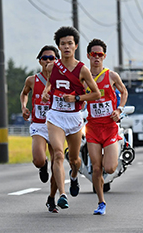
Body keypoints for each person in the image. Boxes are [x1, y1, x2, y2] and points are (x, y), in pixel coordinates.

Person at [42, 26, 101, 210]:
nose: (66, 47)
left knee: (74, 160)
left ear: (75, 46)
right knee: (58, 155)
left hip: (74, 117)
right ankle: (62, 194)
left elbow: (96, 94)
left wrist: (76, 98)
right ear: (58, 47)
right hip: (55, 116)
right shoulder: (52, 67)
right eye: (62, 44)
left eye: (70, 43)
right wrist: (46, 92)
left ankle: (74, 176)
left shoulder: (82, 70)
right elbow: (49, 85)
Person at [84, 39, 128, 215]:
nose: (96, 58)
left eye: (100, 55)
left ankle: (110, 157)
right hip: (93, 128)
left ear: (104, 56)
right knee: (96, 168)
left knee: (109, 168)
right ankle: (101, 202)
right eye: (93, 54)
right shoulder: (83, 77)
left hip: (109, 127)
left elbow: (124, 92)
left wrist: (119, 109)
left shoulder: (111, 76)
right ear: (88, 55)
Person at [20, 45, 59, 213]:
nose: (48, 61)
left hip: (57, 124)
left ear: (57, 61)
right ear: (40, 61)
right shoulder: (32, 80)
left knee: (57, 162)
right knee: (38, 160)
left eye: (52, 58)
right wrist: (23, 106)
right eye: (45, 58)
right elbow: (24, 93)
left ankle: (51, 198)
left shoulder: (62, 80)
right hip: (39, 124)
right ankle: (42, 166)